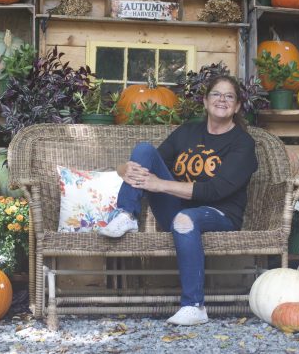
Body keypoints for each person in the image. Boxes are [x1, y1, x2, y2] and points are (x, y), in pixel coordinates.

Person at [97, 75, 258, 326]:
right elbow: (147, 164)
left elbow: (214, 191)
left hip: (220, 214)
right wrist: (123, 169)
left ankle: (194, 306)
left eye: (229, 96)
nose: (222, 100)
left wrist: (159, 184)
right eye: (216, 94)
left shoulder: (242, 143)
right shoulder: (187, 132)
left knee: (185, 219)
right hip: (176, 208)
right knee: (143, 150)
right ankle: (127, 215)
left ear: (237, 106)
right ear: (205, 101)